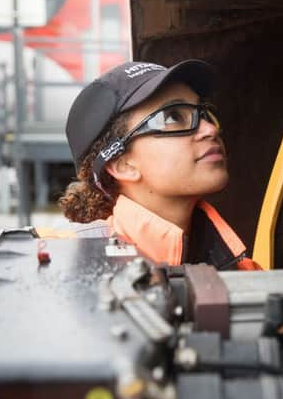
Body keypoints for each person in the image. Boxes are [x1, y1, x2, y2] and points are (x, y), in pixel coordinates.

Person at [58, 59, 261, 271]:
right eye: (172, 117)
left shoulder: (247, 274)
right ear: (122, 165)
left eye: (203, 113)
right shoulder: (61, 263)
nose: (210, 129)